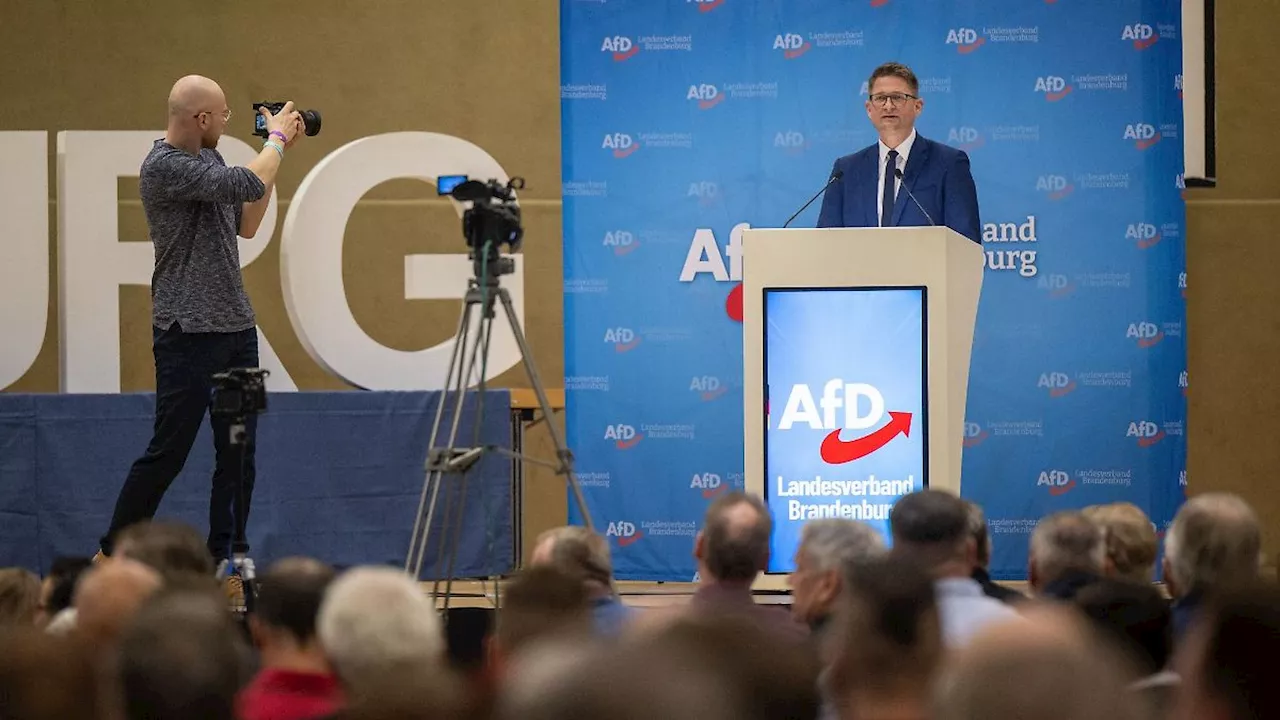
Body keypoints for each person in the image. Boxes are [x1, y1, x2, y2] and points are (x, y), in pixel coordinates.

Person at [96, 76, 305, 573]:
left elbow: (247, 222)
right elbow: (248, 181)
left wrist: (273, 155)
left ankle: (225, 562)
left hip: (237, 331)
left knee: (239, 454)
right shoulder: (164, 167)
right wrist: (274, 141)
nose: (228, 120)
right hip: (185, 332)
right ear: (202, 119)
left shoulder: (210, 160)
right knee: (168, 451)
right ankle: (110, 556)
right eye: (224, 114)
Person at [816, 62, 981, 243]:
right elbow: (826, 244)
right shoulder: (845, 171)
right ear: (869, 109)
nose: (888, 106)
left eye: (897, 97)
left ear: (918, 106)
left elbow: (965, 244)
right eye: (880, 98)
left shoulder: (949, 164)